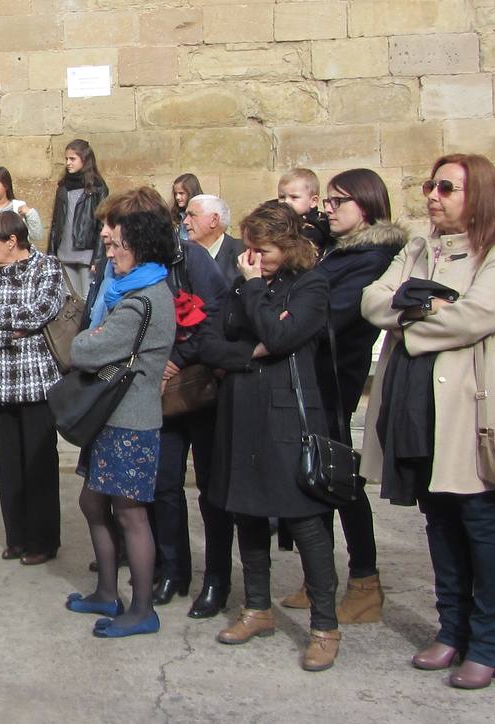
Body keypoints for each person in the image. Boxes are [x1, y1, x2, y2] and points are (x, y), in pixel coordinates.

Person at [360, 153, 495, 690]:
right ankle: (451, 629)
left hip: (474, 408)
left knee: (482, 521)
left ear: (477, 194)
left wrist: (411, 315)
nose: (432, 196)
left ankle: (487, 643)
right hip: (417, 402)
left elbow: (476, 316)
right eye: (430, 186)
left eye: (446, 188)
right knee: (437, 518)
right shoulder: (417, 248)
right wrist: (424, 304)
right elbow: (372, 301)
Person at [85, 188, 231, 619]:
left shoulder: (189, 259)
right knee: (162, 489)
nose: (110, 237)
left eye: (118, 227)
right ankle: (171, 570)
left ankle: (217, 580)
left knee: (210, 490)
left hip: (194, 387)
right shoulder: (118, 272)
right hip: (151, 396)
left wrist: (178, 358)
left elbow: (220, 315)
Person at [210, 201, 341, 672]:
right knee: (247, 510)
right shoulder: (248, 282)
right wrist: (253, 351)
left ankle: (325, 627)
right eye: (248, 248)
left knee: (304, 519)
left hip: (288, 412)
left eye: (261, 249)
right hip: (242, 406)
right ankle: (257, 608)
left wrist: (255, 297)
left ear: (286, 246)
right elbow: (214, 338)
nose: (252, 257)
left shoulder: (312, 284)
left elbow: (281, 337)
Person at [279, 169, 406, 623]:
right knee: (317, 476)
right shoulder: (336, 248)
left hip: (334, 378)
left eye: (338, 202)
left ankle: (365, 582)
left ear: (366, 206)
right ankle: (321, 581)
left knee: (340, 478)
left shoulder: (374, 255)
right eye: (327, 201)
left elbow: (332, 311)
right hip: (312, 374)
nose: (326, 209)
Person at [65, 209, 177, 637]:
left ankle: (142, 609)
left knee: (130, 515)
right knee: (93, 502)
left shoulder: (143, 299)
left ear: (141, 245)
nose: (109, 250)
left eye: (117, 244)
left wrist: (87, 340)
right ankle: (107, 593)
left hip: (130, 421)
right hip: (111, 419)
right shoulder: (129, 291)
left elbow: (86, 351)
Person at [0, 210, 66, 565]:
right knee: (8, 465)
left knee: (39, 463)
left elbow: (42, 311)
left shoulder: (47, 267)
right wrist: (14, 328)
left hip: (37, 380)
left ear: (12, 240)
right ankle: (17, 537)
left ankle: (43, 539)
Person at [48, 140, 109, 299]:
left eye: (72, 159)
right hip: (64, 251)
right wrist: (51, 254)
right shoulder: (63, 187)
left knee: (86, 297)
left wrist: (98, 257)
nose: (68, 163)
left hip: (86, 253)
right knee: (68, 300)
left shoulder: (98, 187)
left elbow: (102, 225)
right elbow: (56, 223)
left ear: (85, 159)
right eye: (66, 159)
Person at [184, 194, 241, 280]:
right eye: (186, 216)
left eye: (192, 215)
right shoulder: (183, 256)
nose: (185, 221)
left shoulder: (242, 253)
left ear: (214, 220)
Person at [280, 167, 333, 253]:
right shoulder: (279, 217)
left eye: (294, 197)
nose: (286, 202)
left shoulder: (316, 226)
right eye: (282, 197)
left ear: (313, 201)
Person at [171, 173, 201, 241]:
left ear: (191, 192)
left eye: (181, 193)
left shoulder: (202, 214)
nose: (177, 197)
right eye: (176, 194)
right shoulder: (175, 214)